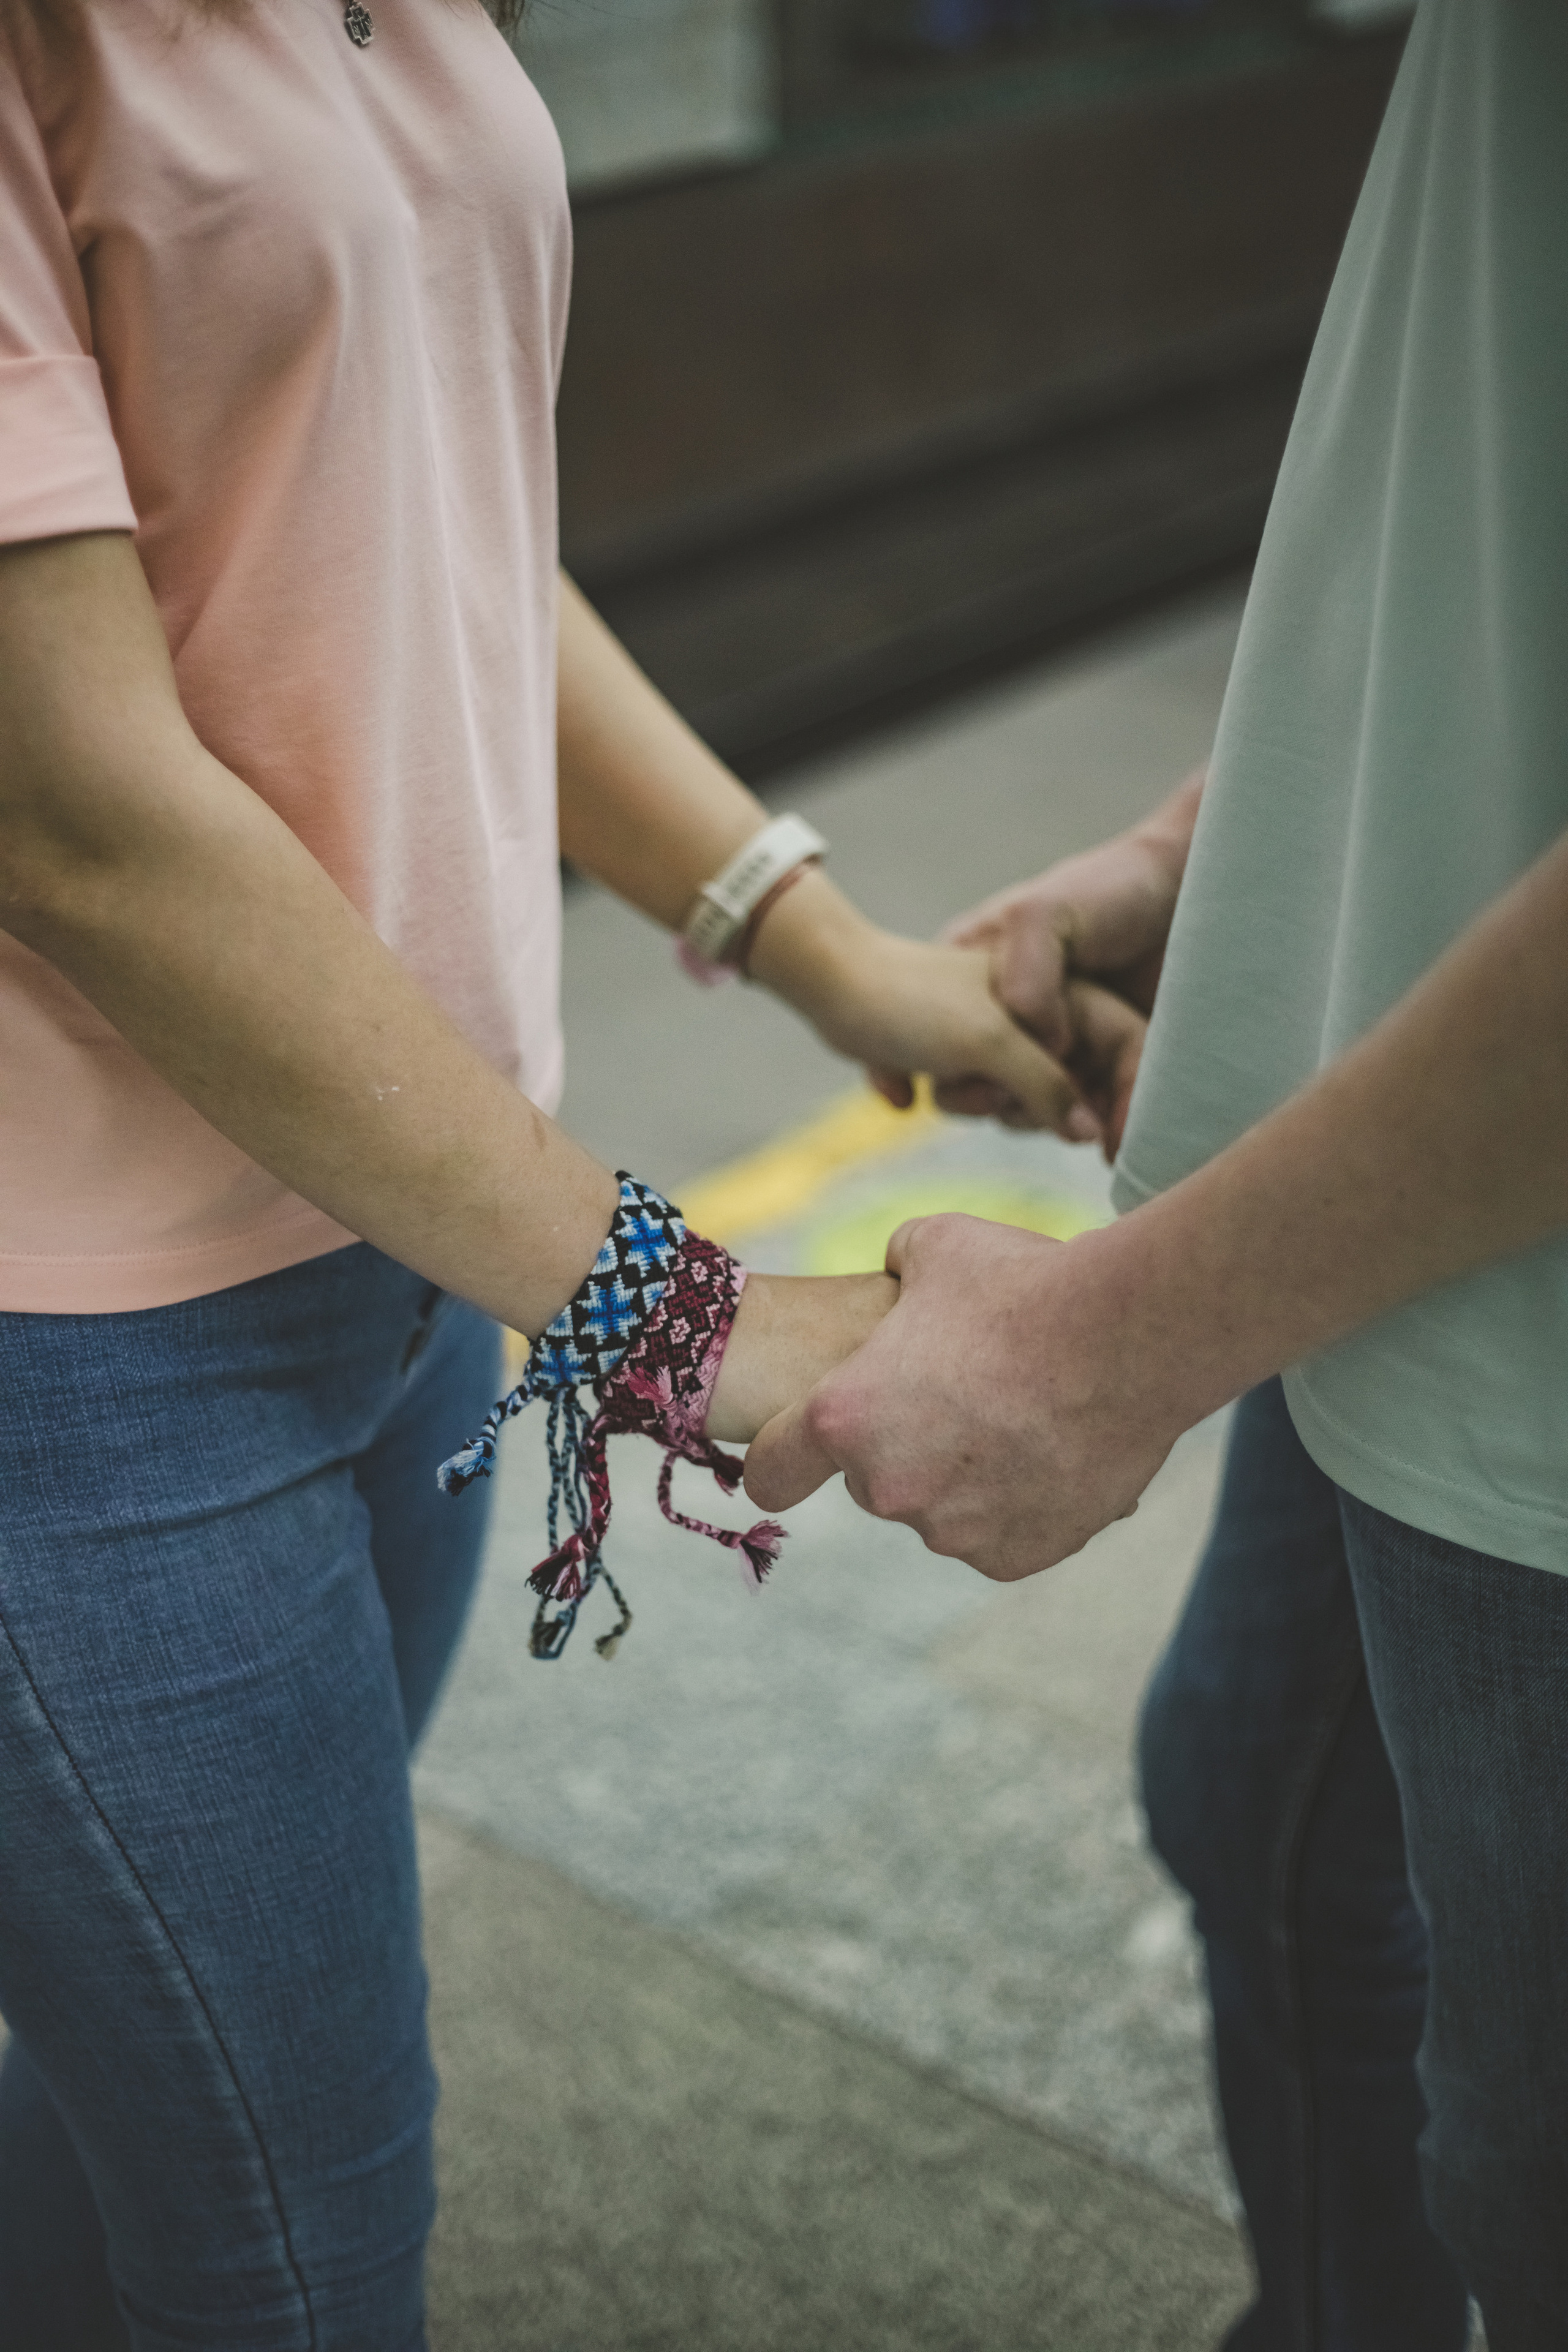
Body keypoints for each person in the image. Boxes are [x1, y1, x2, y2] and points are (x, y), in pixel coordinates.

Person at [0, 0, 1097, 2335]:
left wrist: (826, 952)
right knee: (299, 2252)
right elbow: (73, 811)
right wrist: (684, 1318)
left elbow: (419, 513)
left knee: (139, 2118)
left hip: (405, 1250)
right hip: (80, 1356)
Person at [747, 0, 1568, 2341]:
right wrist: (1240, 847)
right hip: (1408, 1177)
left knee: (1534, 2176)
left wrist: (1111, 1346)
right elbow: (1482, 457)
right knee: (1260, 1804)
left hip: (1523, 1327)